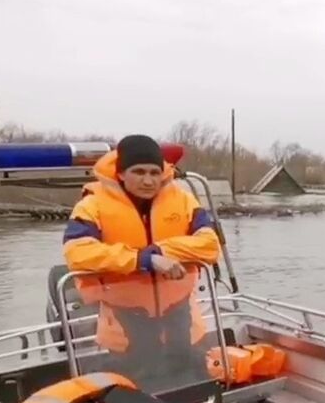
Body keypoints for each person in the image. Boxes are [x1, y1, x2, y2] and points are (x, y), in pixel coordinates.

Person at [62, 134, 220, 387]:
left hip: (183, 322)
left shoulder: (184, 201)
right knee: (135, 398)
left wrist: (162, 251)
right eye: (138, 172)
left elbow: (211, 245)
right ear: (122, 173)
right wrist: (142, 259)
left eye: (154, 172)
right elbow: (77, 253)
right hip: (126, 327)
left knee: (196, 390)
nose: (148, 180)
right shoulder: (92, 205)